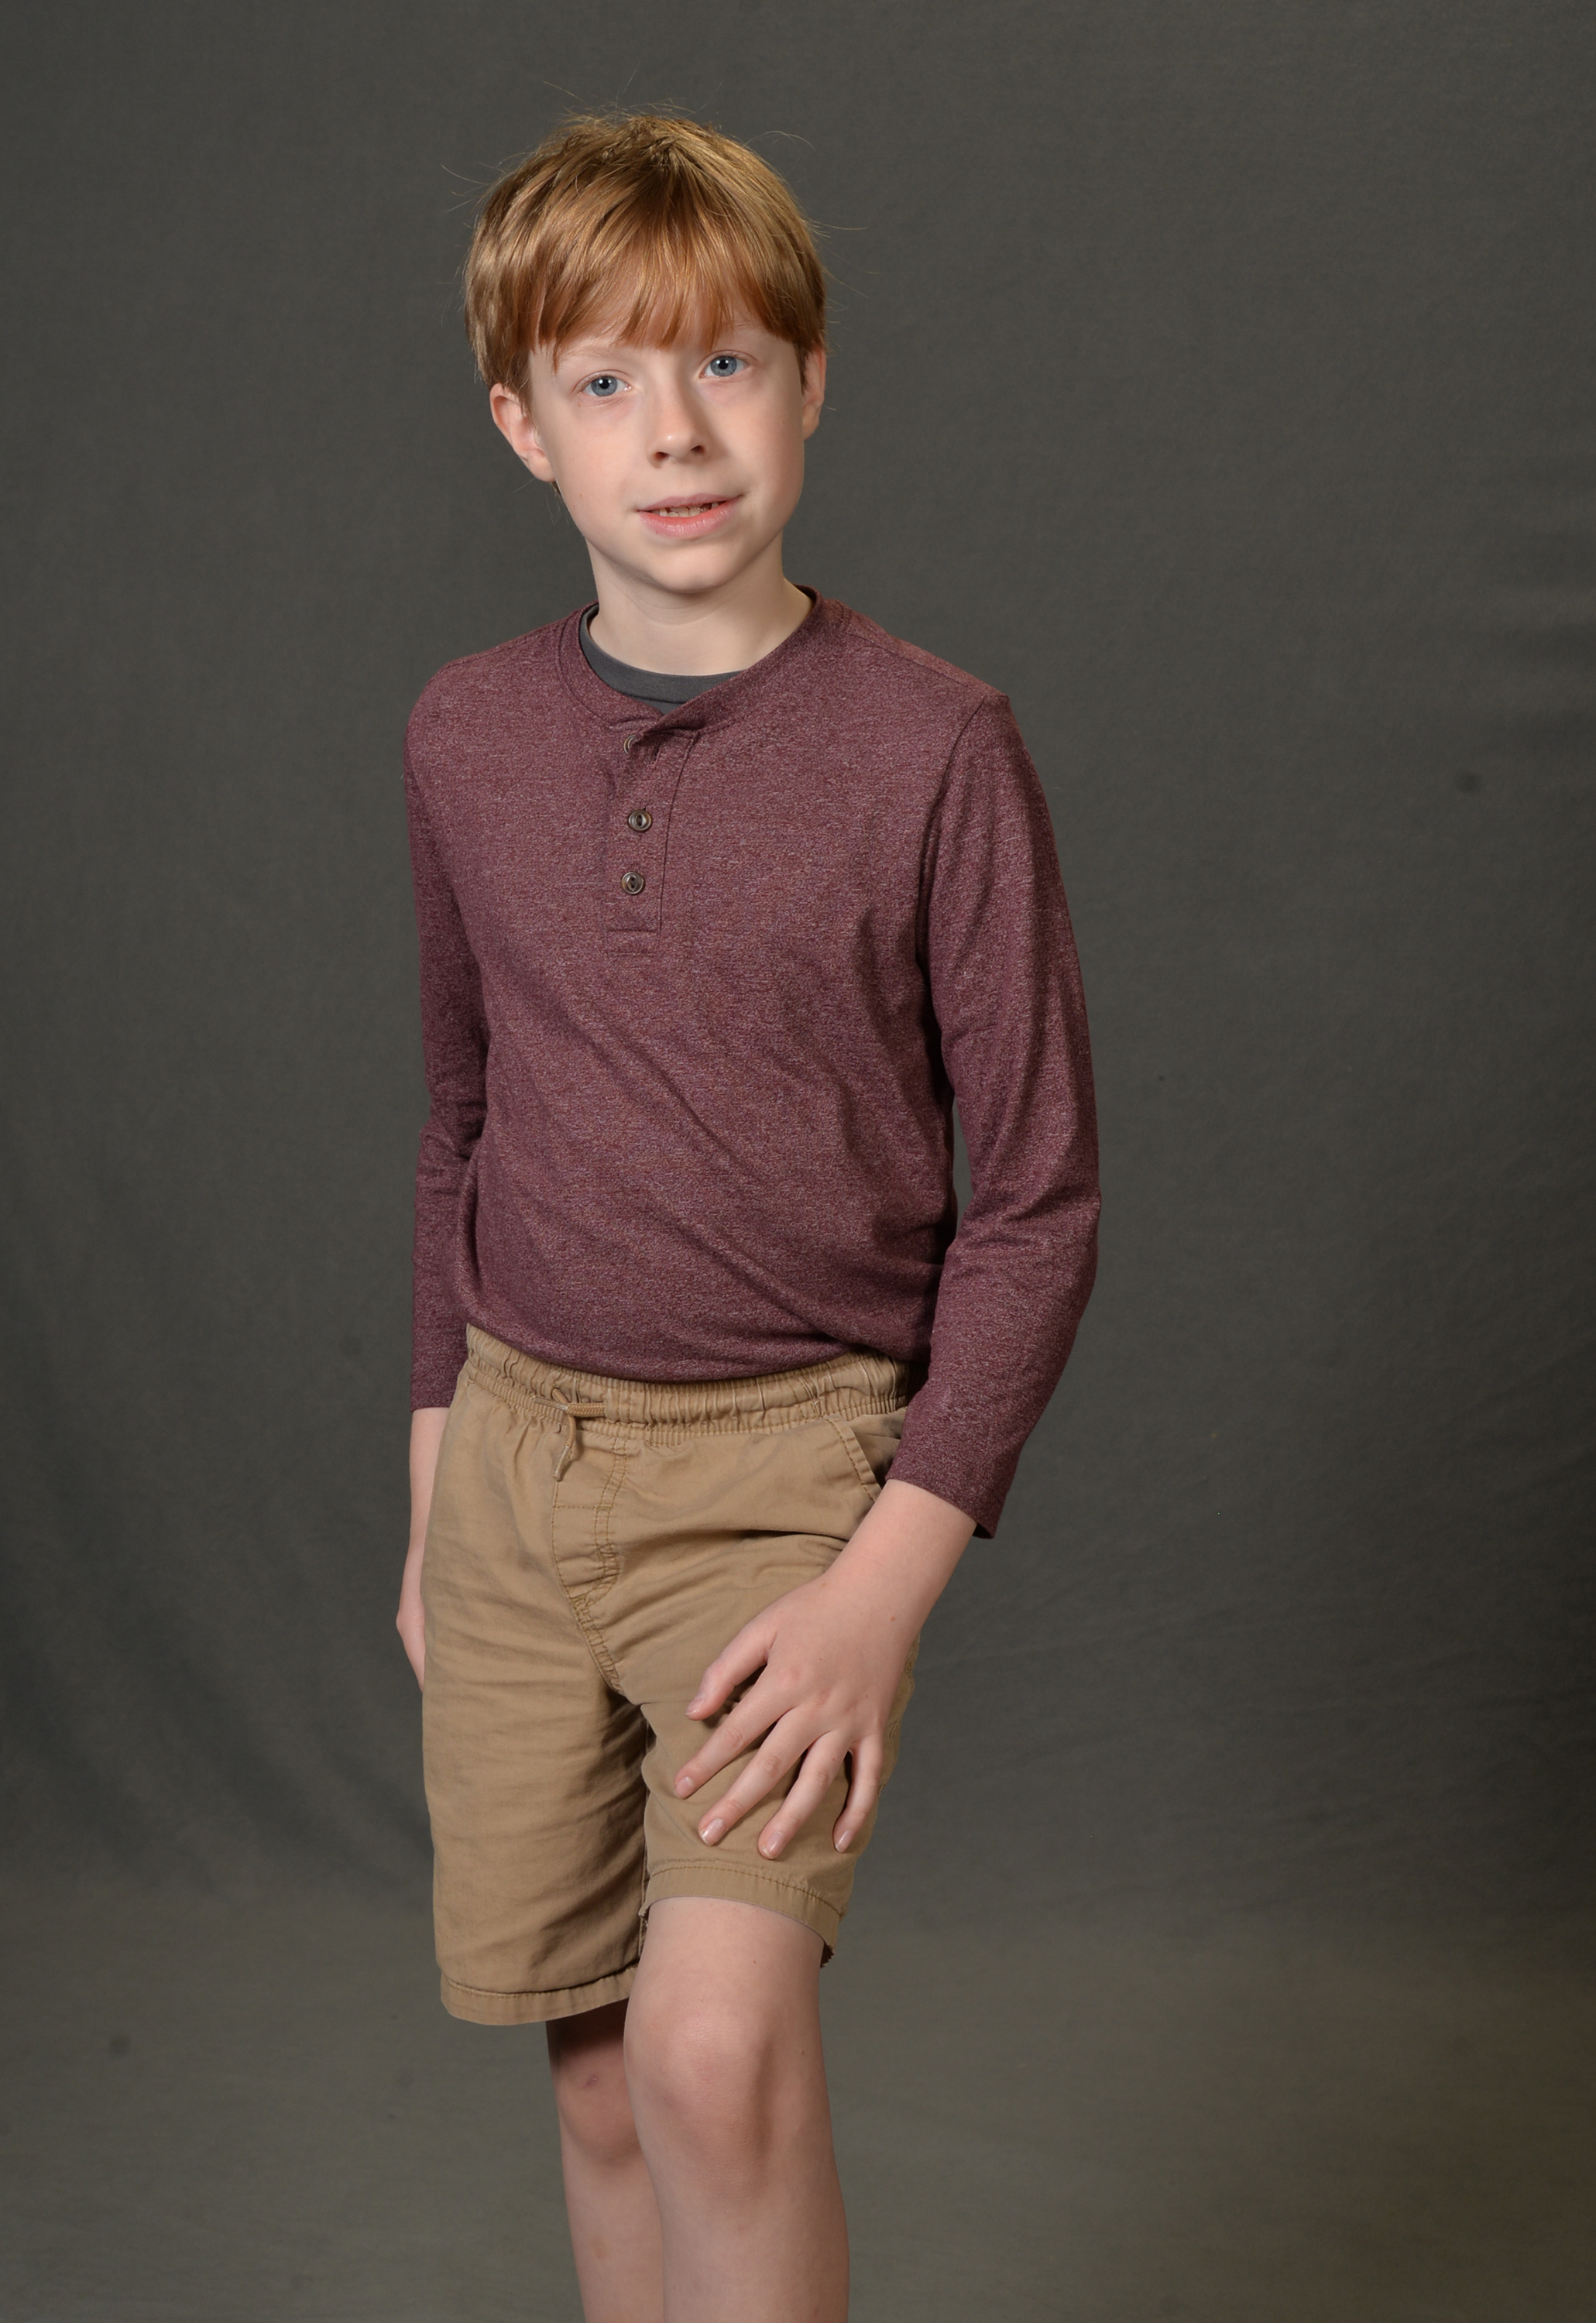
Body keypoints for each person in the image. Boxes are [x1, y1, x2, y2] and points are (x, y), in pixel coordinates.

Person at [396, 112, 1098, 2323]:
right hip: (513, 1472)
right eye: (605, 380)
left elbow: (1040, 1202)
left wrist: (886, 1581)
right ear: (523, 427)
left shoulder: (934, 748)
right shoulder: (464, 736)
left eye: (726, 365)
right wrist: (432, 1495)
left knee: (716, 2055)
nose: (675, 433)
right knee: (605, 2077)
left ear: (811, 384)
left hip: (785, 1483)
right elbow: (459, 1120)